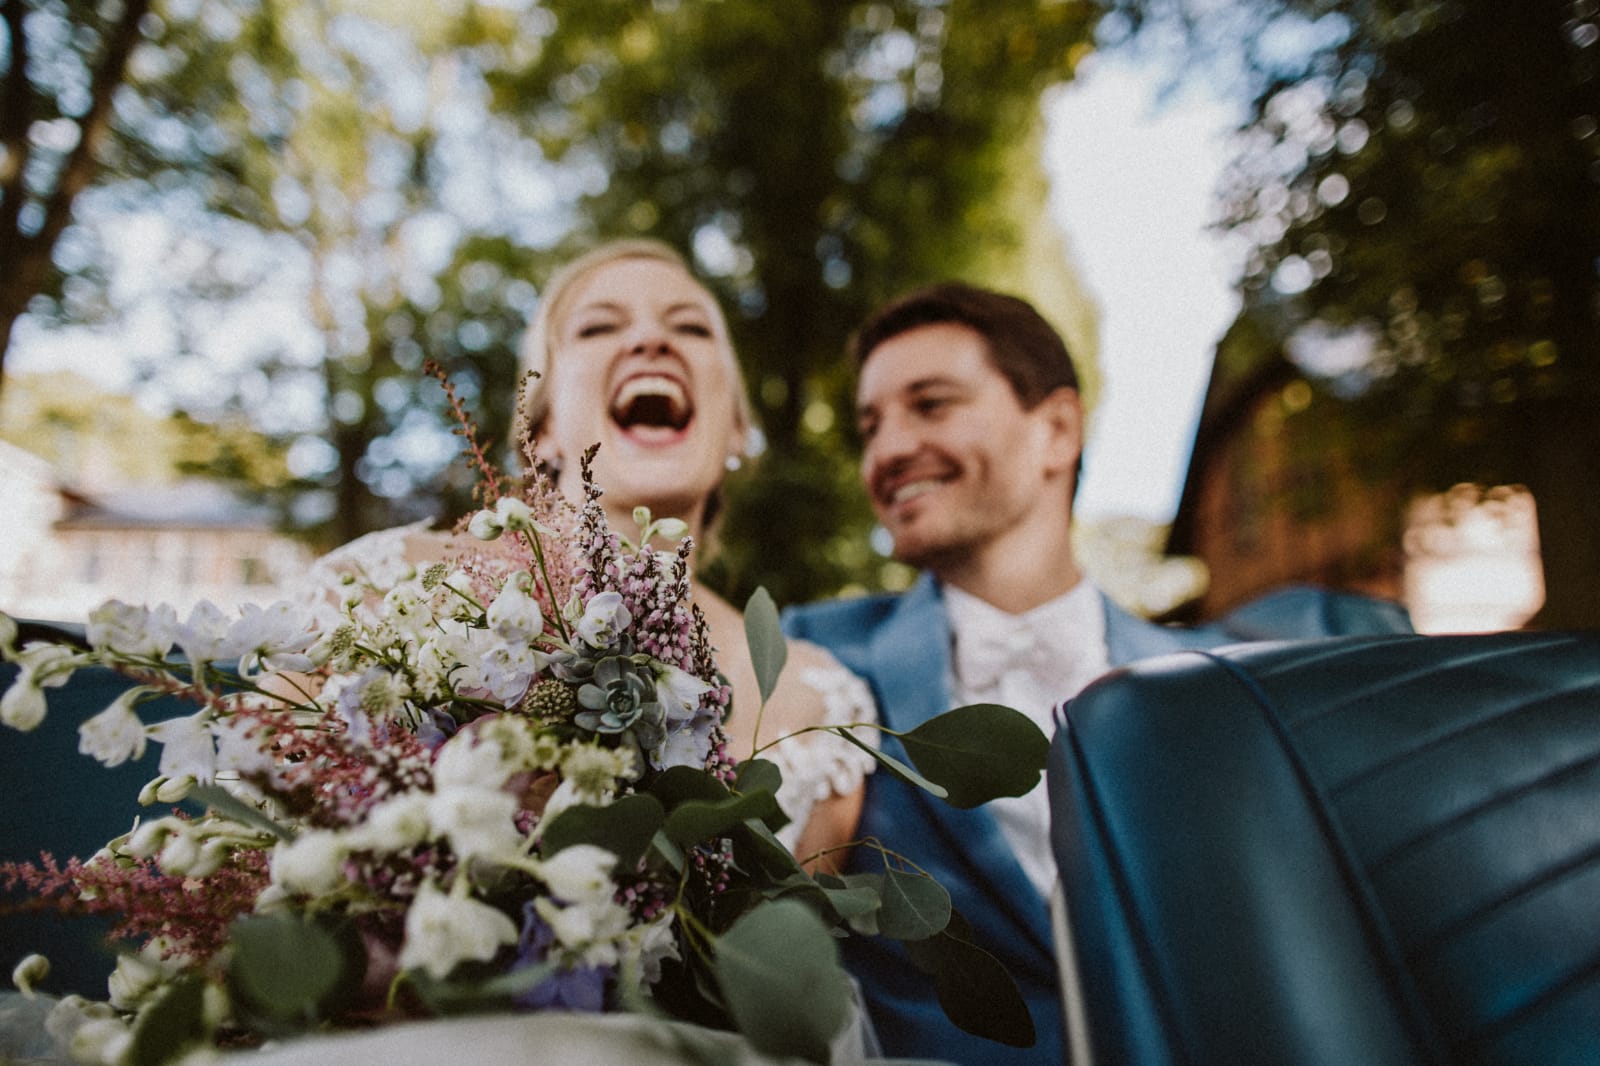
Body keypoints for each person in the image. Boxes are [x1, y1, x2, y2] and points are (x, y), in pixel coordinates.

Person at [781, 281, 1408, 1064]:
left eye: (930, 405)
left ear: (1056, 430)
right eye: (870, 426)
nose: (888, 450)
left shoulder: (1221, 681)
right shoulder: (811, 652)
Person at [304, 240, 877, 862]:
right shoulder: (378, 590)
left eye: (690, 326)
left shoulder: (818, 705)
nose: (651, 341)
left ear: (738, 428)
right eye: (599, 326)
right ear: (544, 428)